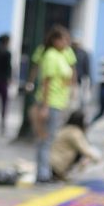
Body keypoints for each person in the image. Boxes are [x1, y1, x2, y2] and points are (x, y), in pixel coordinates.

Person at [33, 26, 73, 185]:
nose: (66, 42)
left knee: (50, 139)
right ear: (55, 40)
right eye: (63, 39)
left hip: (58, 102)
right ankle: (42, 174)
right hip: (50, 103)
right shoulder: (50, 55)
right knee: (45, 140)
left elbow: (69, 75)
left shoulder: (63, 54)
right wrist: (44, 106)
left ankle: (45, 172)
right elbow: (46, 82)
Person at [49, 111, 99, 182]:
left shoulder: (65, 128)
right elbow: (85, 150)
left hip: (52, 163)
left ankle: (62, 174)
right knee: (85, 155)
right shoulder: (75, 133)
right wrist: (97, 158)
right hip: (59, 165)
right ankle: (65, 174)